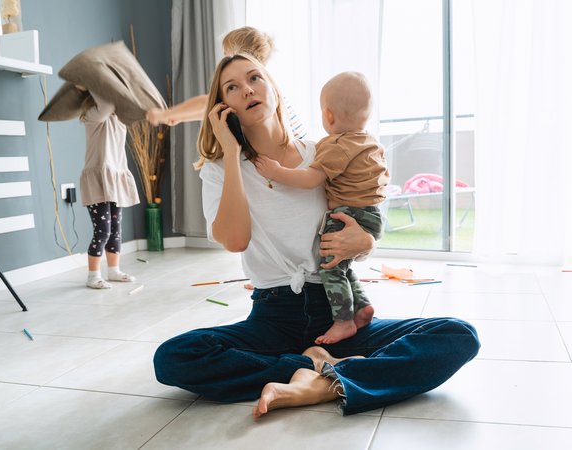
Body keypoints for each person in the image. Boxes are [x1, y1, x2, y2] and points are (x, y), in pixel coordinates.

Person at [152, 53, 480, 418]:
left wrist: (367, 243)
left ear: (273, 89)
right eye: (232, 87)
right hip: (272, 316)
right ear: (223, 107)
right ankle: (318, 371)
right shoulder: (219, 171)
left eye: (254, 78)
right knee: (173, 357)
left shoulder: (323, 153)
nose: (247, 89)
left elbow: (361, 215)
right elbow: (235, 240)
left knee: (456, 335)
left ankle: (321, 381)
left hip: (336, 315)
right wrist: (230, 153)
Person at [255, 71, 388, 344]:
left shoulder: (336, 145)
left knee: (330, 267)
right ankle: (362, 307)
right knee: (343, 266)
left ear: (328, 115)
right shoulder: (370, 141)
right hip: (373, 215)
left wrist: (277, 171)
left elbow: (310, 179)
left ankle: (342, 321)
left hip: (346, 213)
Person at [146, 26, 306, 139]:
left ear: (238, 55)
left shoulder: (265, 89)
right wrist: (181, 117)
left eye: (226, 54)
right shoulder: (261, 86)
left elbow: (206, 102)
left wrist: (165, 114)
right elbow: (217, 108)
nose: (224, 60)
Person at [76, 85, 140, 289]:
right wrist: (94, 86)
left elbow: (128, 106)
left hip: (114, 177)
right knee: (102, 230)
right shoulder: (92, 116)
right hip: (97, 179)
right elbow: (106, 104)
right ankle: (92, 275)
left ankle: (114, 270)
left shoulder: (117, 119)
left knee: (116, 230)